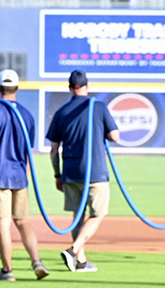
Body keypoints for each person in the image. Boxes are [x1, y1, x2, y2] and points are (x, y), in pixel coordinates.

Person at [0, 69, 49, 281]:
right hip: (19, 176)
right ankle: (36, 261)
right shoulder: (26, 114)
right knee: (23, 221)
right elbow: (29, 150)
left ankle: (7, 270)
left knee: (3, 223)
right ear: (17, 88)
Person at [47, 70, 120, 273]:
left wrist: (57, 174)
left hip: (70, 171)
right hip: (95, 171)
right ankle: (74, 250)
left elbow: (53, 149)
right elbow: (115, 136)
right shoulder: (98, 107)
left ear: (70, 88)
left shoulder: (62, 112)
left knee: (77, 215)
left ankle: (80, 261)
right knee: (98, 213)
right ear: (87, 87)